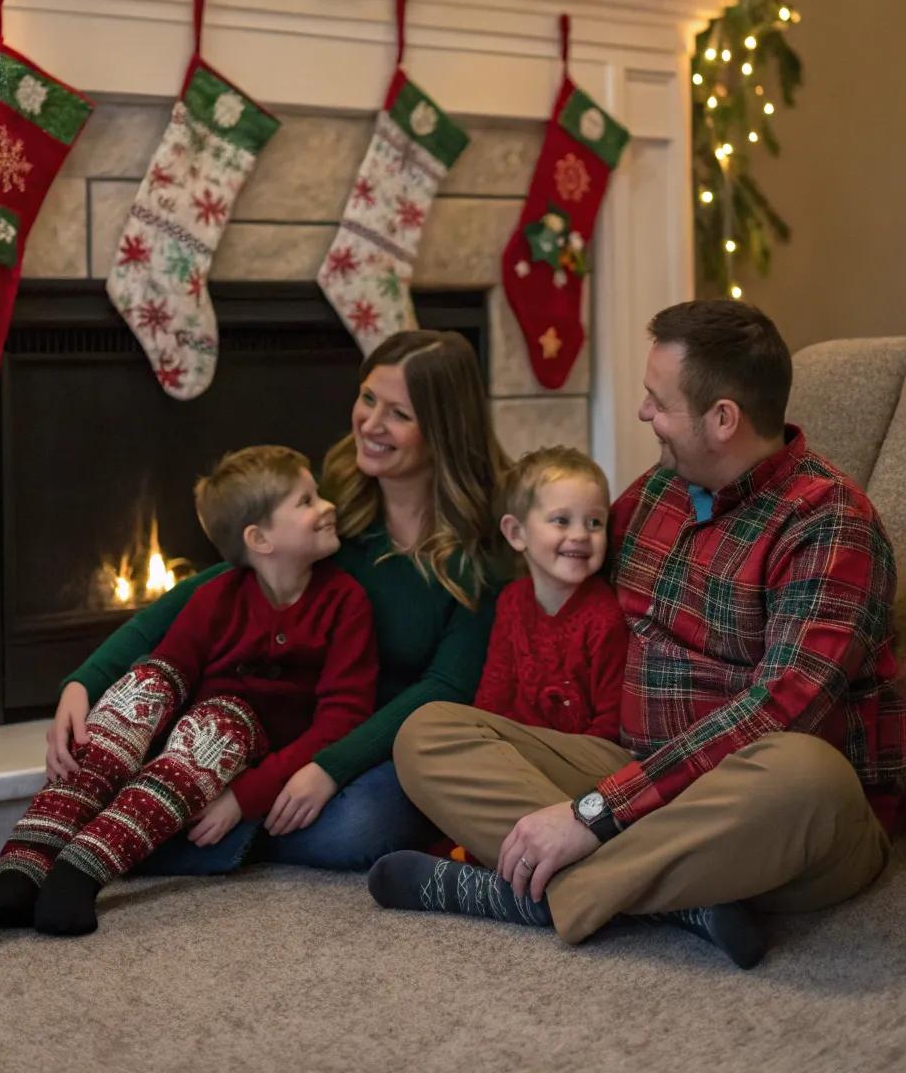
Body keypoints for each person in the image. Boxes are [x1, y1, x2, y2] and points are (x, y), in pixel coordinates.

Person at [370, 301, 906, 969]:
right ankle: (671, 898)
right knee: (428, 734)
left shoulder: (829, 525)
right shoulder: (658, 492)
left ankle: (528, 889)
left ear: (722, 419)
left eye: (659, 400)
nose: (644, 413)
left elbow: (777, 713)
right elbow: (563, 578)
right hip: (636, 773)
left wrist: (593, 815)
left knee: (806, 776)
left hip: (762, 806)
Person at [42, 329, 506, 877]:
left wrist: (327, 769)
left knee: (361, 827)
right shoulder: (335, 496)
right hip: (288, 721)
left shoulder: (482, 547)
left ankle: (177, 831)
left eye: (398, 414)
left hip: (384, 742)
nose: (370, 424)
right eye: (367, 398)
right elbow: (218, 584)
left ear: (443, 430)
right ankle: (179, 823)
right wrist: (87, 679)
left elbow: (444, 689)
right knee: (173, 709)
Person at [0, 445, 377, 934]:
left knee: (221, 724)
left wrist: (244, 798)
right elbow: (169, 666)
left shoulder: (345, 602)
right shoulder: (216, 596)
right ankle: (25, 862)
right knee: (145, 685)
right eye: (307, 501)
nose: (329, 506)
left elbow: (342, 718)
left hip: (244, 744)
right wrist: (101, 697)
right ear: (259, 539)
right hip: (187, 739)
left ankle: (83, 868)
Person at [473, 445, 628, 738]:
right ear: (516, 533)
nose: (580, 535)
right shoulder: (512, 601)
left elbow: (611, 725)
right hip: (513, 745)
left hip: (582, 752)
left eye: (594, 522)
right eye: (561, 520)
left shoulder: (605, 618)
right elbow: (494, 693)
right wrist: (481, 736)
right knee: (429, 725)